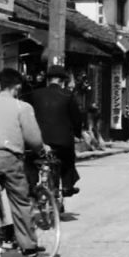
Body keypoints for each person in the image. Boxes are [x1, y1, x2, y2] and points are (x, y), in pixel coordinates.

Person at [0, 67, 49, 256]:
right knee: (20, 197)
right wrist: (42, 150)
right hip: (7, 156)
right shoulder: (21, 107)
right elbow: (34, 139)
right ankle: (28, 244)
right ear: (18, 87)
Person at [27, 65, 83, 197]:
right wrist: (77, 133)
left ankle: (31, 185)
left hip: (38, 141)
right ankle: (67, 186)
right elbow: (77, 119)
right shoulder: (68, 96)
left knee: (30, 161)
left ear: (48, 80)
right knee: (68, 160)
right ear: (62, 80)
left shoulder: (35, 94)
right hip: (62, 142)